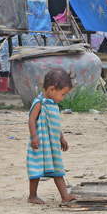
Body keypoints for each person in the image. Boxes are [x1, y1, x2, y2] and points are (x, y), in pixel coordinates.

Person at [27, 68, 78, 204]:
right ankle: (32, 195)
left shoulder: (53, 105)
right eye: (63, 94)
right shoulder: (40, 103)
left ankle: (64, 196)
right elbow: (31, 119)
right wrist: (34, 137)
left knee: (58, 169)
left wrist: (61, 138)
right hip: (40, 142)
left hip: (53, 143)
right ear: (51, 89)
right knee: (36, 169)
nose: (63, 98)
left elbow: (54, 124)